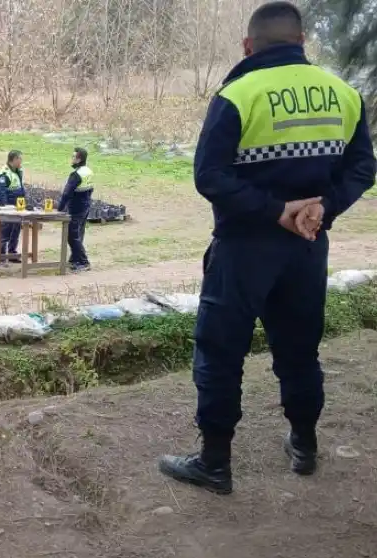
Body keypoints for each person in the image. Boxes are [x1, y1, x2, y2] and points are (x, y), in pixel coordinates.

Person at [158, 1, 376, 495]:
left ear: (248, 46)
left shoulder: (238, 93)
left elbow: (209, 175)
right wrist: (322, 208)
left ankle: (214, 462)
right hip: (307, 246)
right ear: (302, 43)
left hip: (244, 249)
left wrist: (276, 211)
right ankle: (304, 445)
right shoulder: (344, 94)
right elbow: (363, 168)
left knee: (220, 350)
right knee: (300, 349)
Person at [57, 147, 93, 272]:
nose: (71, 159)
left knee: (72, 236)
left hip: (76, 208)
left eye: (73, 157)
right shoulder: (88, 171)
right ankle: (74, 259)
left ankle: (84, 262)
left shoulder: (76, 175)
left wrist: (59, 209)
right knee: (79, 234)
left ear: (79, 159)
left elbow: (66, 193)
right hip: (86, 205)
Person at [0, 150, 26, 263]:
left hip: (18, 205)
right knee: (5, 231)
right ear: (14, 159)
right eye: (20, 159)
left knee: (15, 230)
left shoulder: (18, 171)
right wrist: (6, 208)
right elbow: (0, 192)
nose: (21, 161)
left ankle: (12, 253)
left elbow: (20, 186)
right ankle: (1, 256)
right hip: (8, 206)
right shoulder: (4, 173)